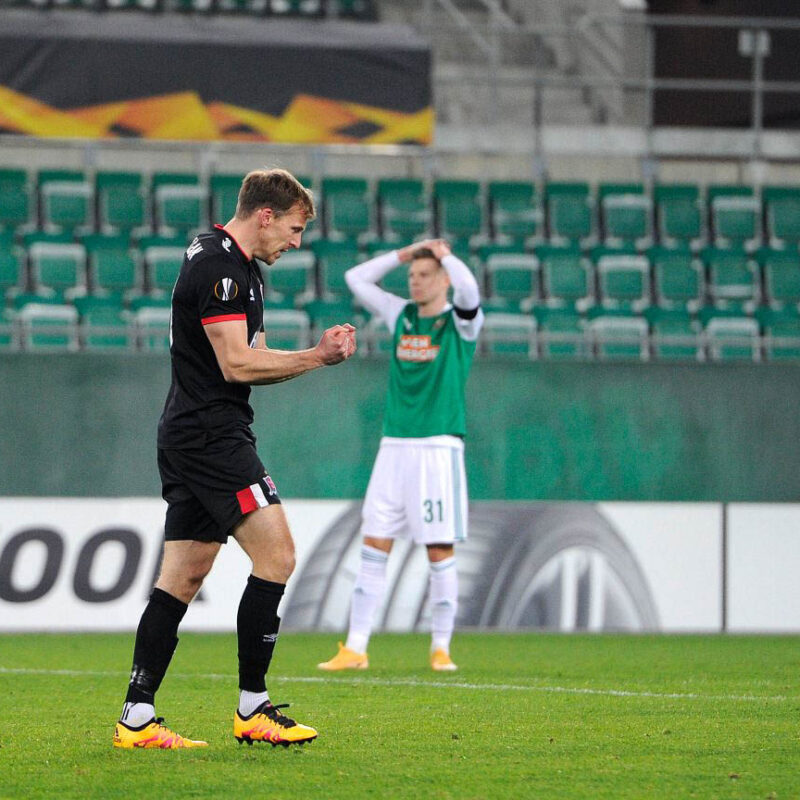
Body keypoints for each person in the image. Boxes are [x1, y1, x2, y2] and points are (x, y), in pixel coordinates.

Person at [113, 168, 356, 750]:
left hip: (194, 433)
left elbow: (255, 357)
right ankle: (253, 708)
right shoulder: (221, 269)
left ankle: (136, 718)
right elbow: (237, 365)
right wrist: (317, 356)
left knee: (183, 577)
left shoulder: (236, 265)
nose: (296, 242)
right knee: (278, 555)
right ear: (266, 215)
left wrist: (305, 358)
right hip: (210, 438)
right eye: (294, 228)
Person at [317, 238, 483, 673]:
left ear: (444, 280)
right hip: (394, 446)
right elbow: (356, 279)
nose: (415, 281)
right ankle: (356, 648)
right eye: (411, 275)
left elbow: (470, 291)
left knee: (438, 549)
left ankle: (441, 647)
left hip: (438, 447)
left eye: (424, 275)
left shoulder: (460, 323)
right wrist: (406, 253)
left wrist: (444, 255)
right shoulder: (402, 315)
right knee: (375, 541)